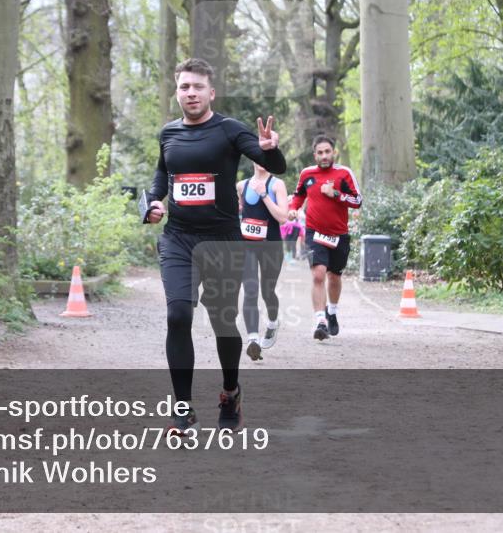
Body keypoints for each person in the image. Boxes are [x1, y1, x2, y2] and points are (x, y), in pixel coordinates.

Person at [145, 58, 286, 436]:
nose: (190, 93)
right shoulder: (168, 133)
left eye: (197, 87)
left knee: (223, 321)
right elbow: (164, 174)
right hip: (179, 239)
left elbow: (277, 164)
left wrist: (270, 150)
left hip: (223, 241)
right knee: (178, 317)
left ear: (211, 92)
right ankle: (182, 410)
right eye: (183, 87)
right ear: (177, 92)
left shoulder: (228, 130)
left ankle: (230, 392)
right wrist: (156, 201)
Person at [286, 135, 362, 341]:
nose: (324, 156)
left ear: (333, 152)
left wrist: (336, 194)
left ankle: (332, 311)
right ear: (315, 155)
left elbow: (357, 201)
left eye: (327, 151)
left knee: (334, 276)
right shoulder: (307, 174)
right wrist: (293, 208)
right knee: (318, 275)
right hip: (314, 232)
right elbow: (298, 195)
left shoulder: (344, 173)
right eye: (320, 153)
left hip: (339, 235)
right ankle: (320, 321)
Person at [236, 162, 289, 361]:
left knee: (268, 291)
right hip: (247, 246)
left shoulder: (277, 185)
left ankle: (273, 323)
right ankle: (252, 340)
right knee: (250, 290)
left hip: (271, 246)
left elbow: (283, 217)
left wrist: (264, 195)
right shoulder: (241, 185)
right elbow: (238, 211)